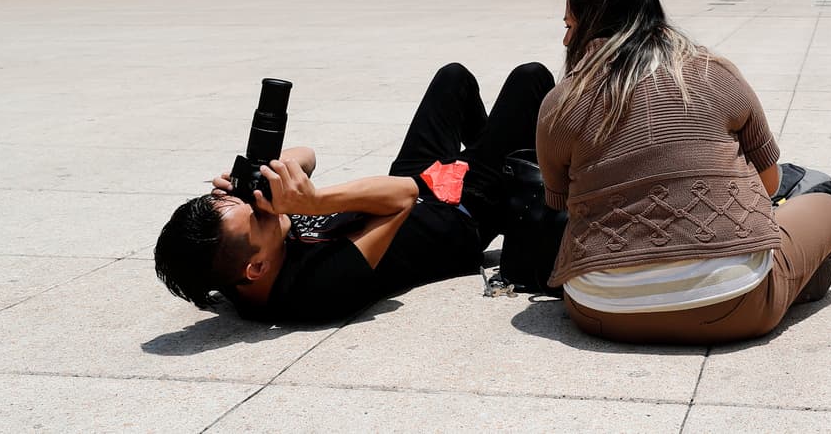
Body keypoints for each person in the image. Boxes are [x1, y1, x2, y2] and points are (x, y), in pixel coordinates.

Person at [536, 0, 831, 345]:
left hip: (598, 310)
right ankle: (785, 282)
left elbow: (559, 202)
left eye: (570, 26)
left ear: (592, 27)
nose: (566, 40)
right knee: (826, 207)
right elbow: (769, 184)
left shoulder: (559, 103)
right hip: (733, 307)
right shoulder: (715, 72)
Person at [154, 62, 554, 323]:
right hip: (457, 215)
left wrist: (263, 175)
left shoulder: (235, 261)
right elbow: (402, 197)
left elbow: (307, 156)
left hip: (406, 190)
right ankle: (501, 183)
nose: (263, 206)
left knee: (454, 79)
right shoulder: (317, 289)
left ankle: (497, 163)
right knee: (530, 79)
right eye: (257, 213)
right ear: (255, 268)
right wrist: (314, 202)